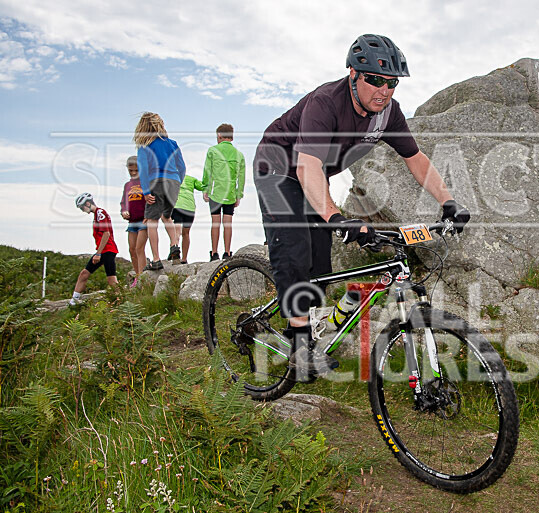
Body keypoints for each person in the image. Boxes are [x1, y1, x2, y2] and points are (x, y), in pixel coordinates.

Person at [253, 34, 471, 380]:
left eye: (392, 83)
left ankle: (305, 324)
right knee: (294, 248)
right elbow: (307, 166)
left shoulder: (388, 114)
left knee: (320, 264)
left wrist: (448, 202)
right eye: (375, 80)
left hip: (313, 175)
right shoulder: (326, 103)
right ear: (353, 74)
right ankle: (299, 346)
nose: (384, 91)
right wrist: (337, 217)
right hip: (278, 167)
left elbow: (415, 159)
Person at [134, 112, 186, 271]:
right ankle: (174, 245)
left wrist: (146, 191)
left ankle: (156, 259)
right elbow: (182, 167)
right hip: (174, 182)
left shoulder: (145, 146)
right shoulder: (172, 143)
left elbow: (143, 170)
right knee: (167, 216)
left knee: (152, 221)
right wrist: (177, 182)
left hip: (156, 182)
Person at [202, 123, 246, 261]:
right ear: (231, 137)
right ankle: (227, 253)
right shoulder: (239, 155)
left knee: (215, 222)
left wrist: (205, 189)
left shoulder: (212, 151)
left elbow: (207, 172)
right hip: (230, 193)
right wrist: (239, 195)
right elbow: (241, 177)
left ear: (219, 135)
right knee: (228, 223)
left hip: (215, 192)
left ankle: (214, 253)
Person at [70, 193, 119, 305]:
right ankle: (74, 300)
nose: (82, 210)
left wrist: (98, 253)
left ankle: (119, 300)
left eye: (82, 207)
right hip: (104, 250)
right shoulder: (97, 215)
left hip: (107, 250)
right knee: (84, 274)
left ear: (88, 203)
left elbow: (106, 233)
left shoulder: (100, 213)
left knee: (111, 279)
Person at [120, 155, 147, 287]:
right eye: (131, 171)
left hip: (144, 221)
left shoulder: (146, 183)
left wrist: (149, 215)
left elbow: (151, 200)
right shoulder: (127, 185)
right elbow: (123, 202)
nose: (134, 173)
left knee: (139, 248)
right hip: (132, 222)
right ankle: (137, 275)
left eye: (136, 170)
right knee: (132, 249)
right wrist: (124, 211)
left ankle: (142, 276)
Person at [171, 174, 206, 264]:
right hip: (190, 209)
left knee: (176, 231)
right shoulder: (191, 179)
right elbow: (203, 186)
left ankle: (175, 250)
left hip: (177, 206)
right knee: (186, 233)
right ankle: (184, 259)